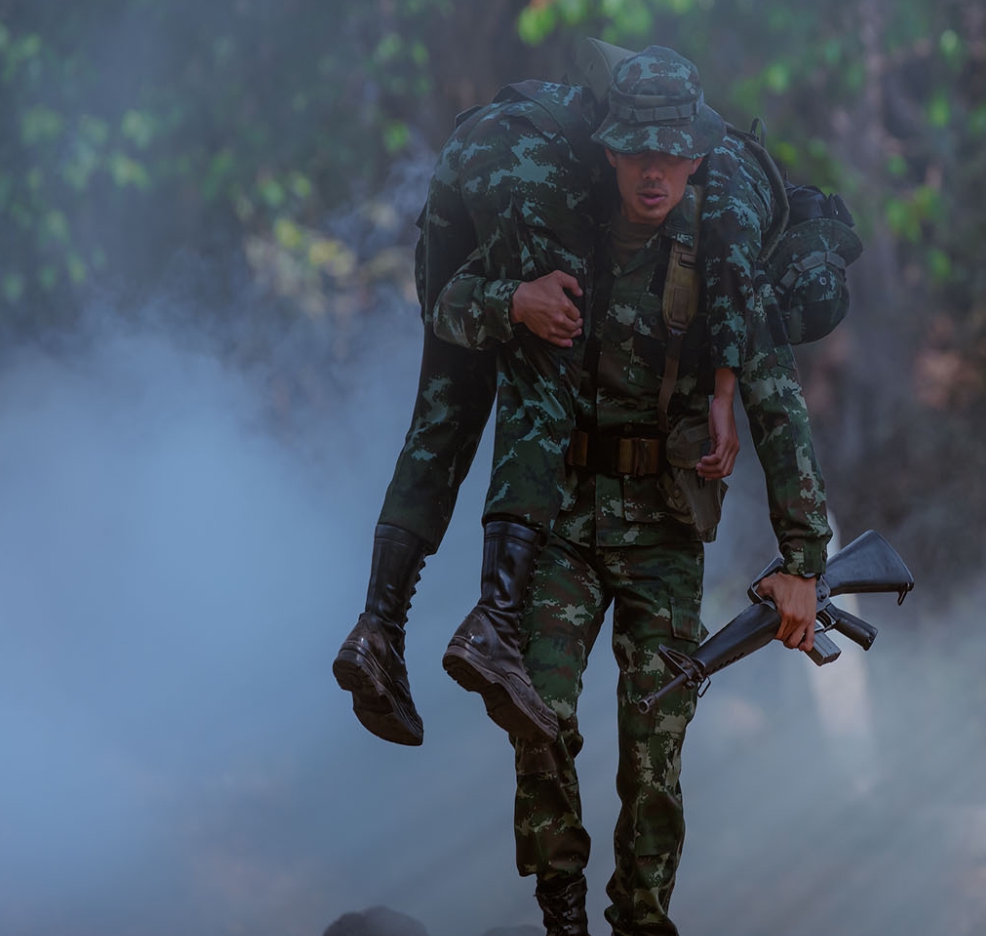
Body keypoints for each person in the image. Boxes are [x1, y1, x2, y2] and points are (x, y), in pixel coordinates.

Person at [429, 45, 831, 936]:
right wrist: (510, 302)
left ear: (696, 160)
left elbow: (775, 406)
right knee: (536, 714)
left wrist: (804, 557)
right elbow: (448, 303)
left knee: (652, 760)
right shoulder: (561, 225)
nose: (653, 172)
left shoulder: (720, 253)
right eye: (635, 152)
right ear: (607, 153)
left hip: (658, 528)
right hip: (560, 516)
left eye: (672, 154)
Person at [331, 43, 794, 749]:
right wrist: (725, 382)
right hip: (529, 169)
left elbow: (447, 308)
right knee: (543, 374)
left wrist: (504, 297)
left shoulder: (646, 98)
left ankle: (376, 628)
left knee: (444, 413)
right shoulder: (723, 163)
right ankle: (498, 621)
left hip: (470, 149)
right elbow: (731, 266)